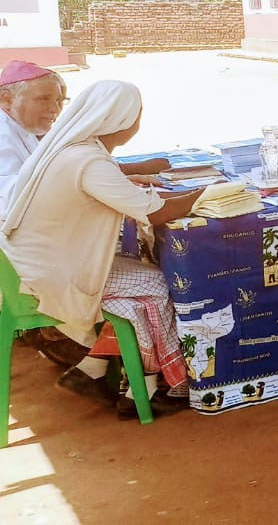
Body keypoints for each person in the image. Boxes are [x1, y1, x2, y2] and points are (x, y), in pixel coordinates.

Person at [0, 80, 205, 419]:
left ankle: (109, 375)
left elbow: (136, 199)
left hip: (35, 264)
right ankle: (166, 384)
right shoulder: (89, 162)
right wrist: (207, 194)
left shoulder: (75, 149)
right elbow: (154, 212)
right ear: (122, 119)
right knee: (155, 284)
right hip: (52, 274)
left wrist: (182, 195)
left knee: (133, 299)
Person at [0, 61, 68, 209]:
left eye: (58, 100)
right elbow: (9, 196)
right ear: (7, 99)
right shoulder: (2, 134)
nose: (55, 109)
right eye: (43, 99)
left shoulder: (23, 126)